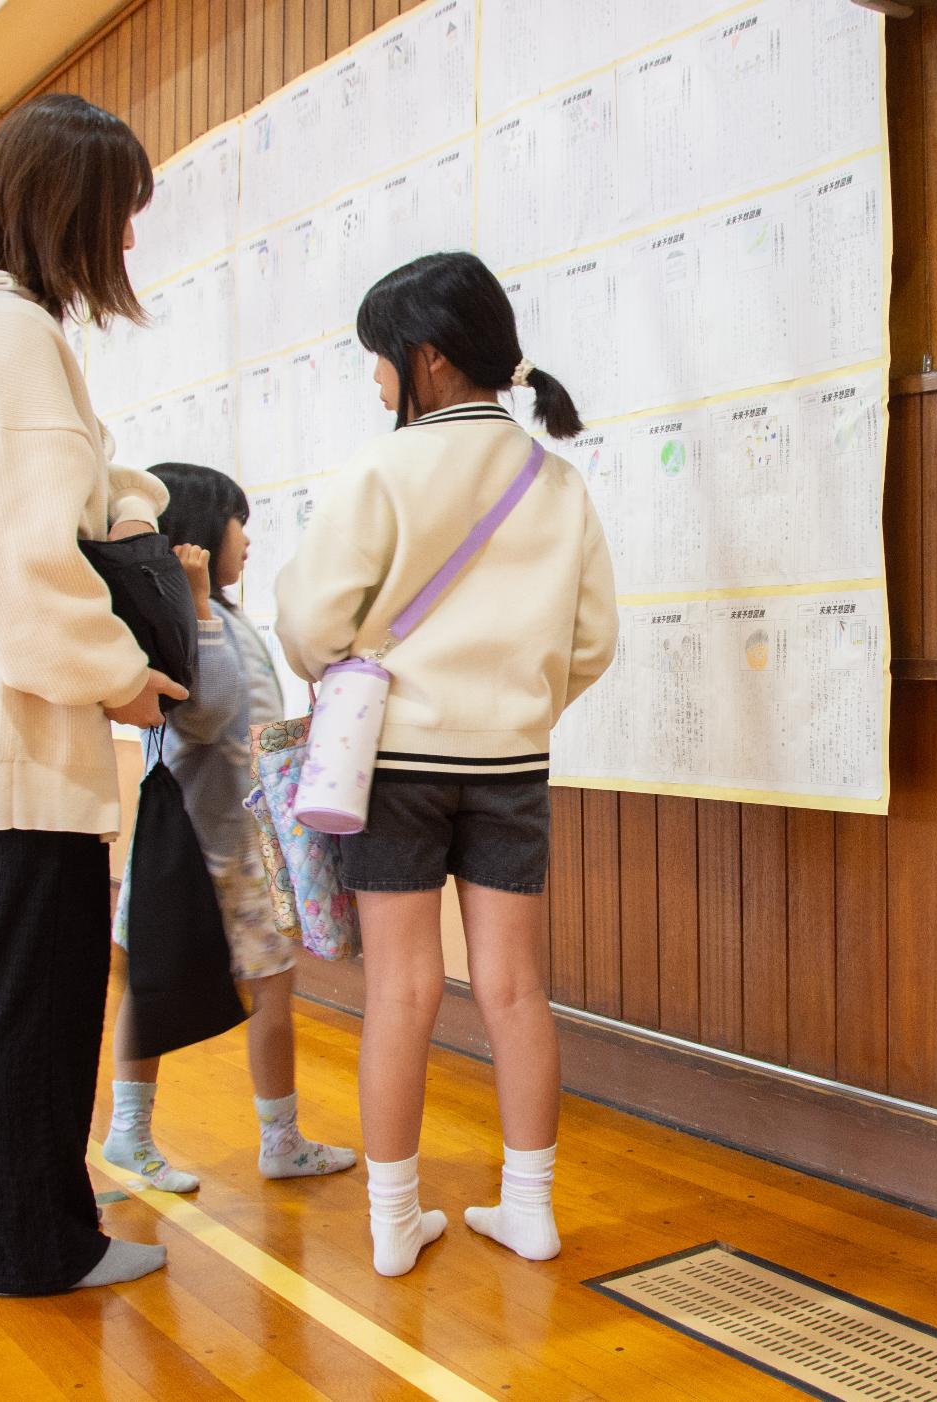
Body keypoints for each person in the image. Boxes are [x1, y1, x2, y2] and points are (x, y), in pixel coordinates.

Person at [0, 93, 188, 1297]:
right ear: (73, 208)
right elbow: (25, 555)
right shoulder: (7, 334)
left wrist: (125, 496)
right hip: (17, 725)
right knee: (39, 1000)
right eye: (120, 219)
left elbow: (50, 489)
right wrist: (121, 680)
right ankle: (42, 1243)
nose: (124, 246)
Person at [275, 252, 618, 1277]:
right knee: (514, 990)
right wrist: (516, 706)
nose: (374, 382)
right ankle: (531, 1209)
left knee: (402, 991)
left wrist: (352, 666)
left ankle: (391, 1222)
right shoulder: (553, 482)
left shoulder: (382, 472)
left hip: (391, 766)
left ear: (424, 359)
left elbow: (306, 621)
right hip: (509, 762)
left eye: (378, 361)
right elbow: (594, 638)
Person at [103, 463, 357, 1192]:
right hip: (195, 847)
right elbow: (208, 715)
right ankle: (128, 1134)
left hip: (245, 848)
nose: (247, 538)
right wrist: (195, 609)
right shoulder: (183, 614)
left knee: (274, 986)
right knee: (150, 987)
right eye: (239, 521)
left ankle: (281, 1138)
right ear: (203, 532)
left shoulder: (222, 615)